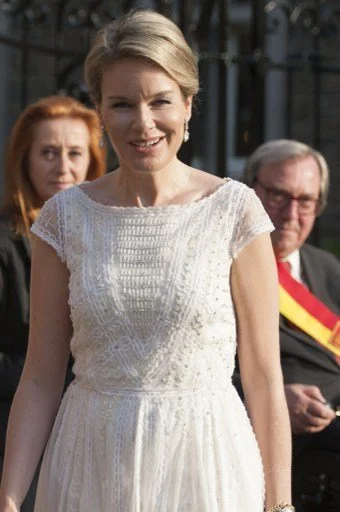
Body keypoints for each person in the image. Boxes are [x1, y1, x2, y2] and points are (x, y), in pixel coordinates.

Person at [0, 11, 293, 512]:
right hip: (88, 462)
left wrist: (281, 504)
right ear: (99, 110)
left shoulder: (235, 210)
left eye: (160, 101)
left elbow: (264, 376)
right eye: (121, 104)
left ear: (188, 104)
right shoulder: (64, 218)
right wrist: (8, 500)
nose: (143, 122)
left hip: (206, 462)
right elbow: (41, 376)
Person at [0, 95, 106, 511]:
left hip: (102, 432)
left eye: (75, 152)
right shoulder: (6, 245)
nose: (63, 166)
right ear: (23, 160)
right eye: (48, 152)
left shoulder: (110, 237)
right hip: (19, 435)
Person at [242, 139, 340, 511]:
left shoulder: (326, 268)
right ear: (251, 191)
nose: (290, 214)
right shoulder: (221, 266)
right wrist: (274, 399)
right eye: (279, 196)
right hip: (278, 445)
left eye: (306, 201)